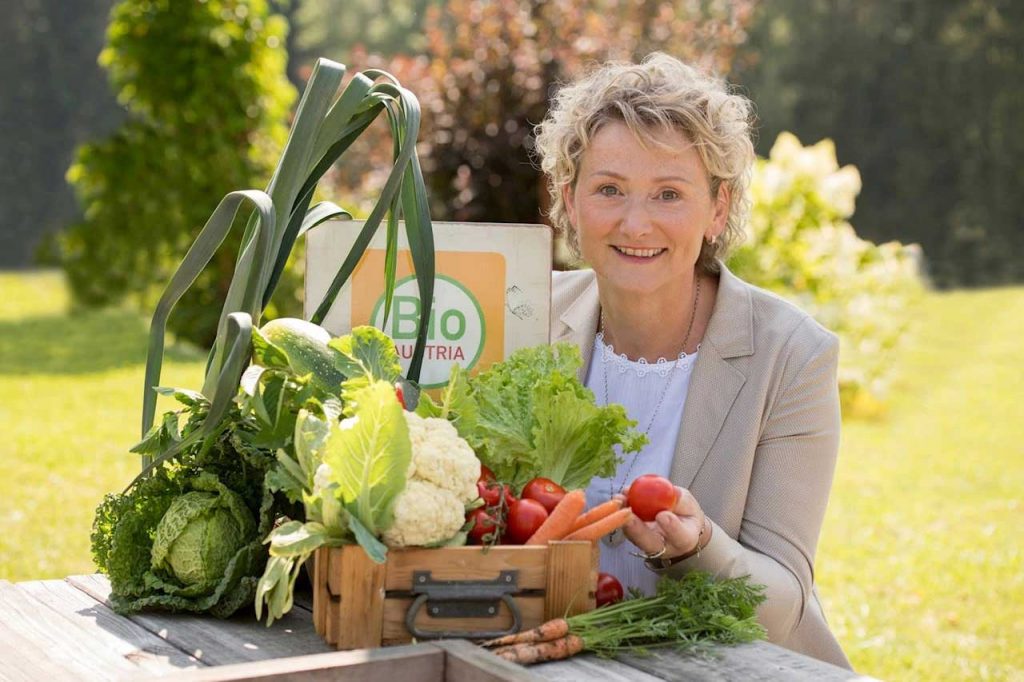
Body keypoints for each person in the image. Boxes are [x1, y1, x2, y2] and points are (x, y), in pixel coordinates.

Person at [534, 53, 851, 669]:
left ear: (717, 209)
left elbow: (783, 602)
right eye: (609, 189)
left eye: (669, 194)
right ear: (570, 202)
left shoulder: (793, 355)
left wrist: (698, 546)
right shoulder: (524, 313)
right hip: (551, 657)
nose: (636, 222)